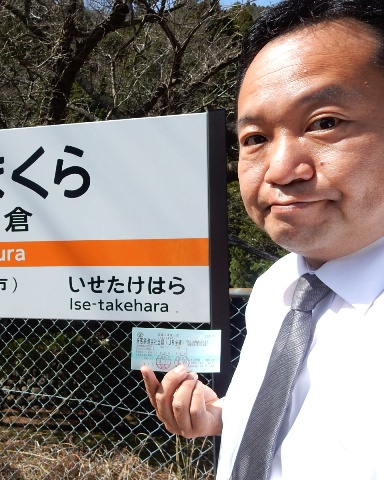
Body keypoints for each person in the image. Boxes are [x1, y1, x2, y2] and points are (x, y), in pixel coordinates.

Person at [141, 0, 384, 478]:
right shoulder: (278, 285)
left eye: (325, 122)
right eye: (254, 138)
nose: (280, 170)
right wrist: (221, 417)